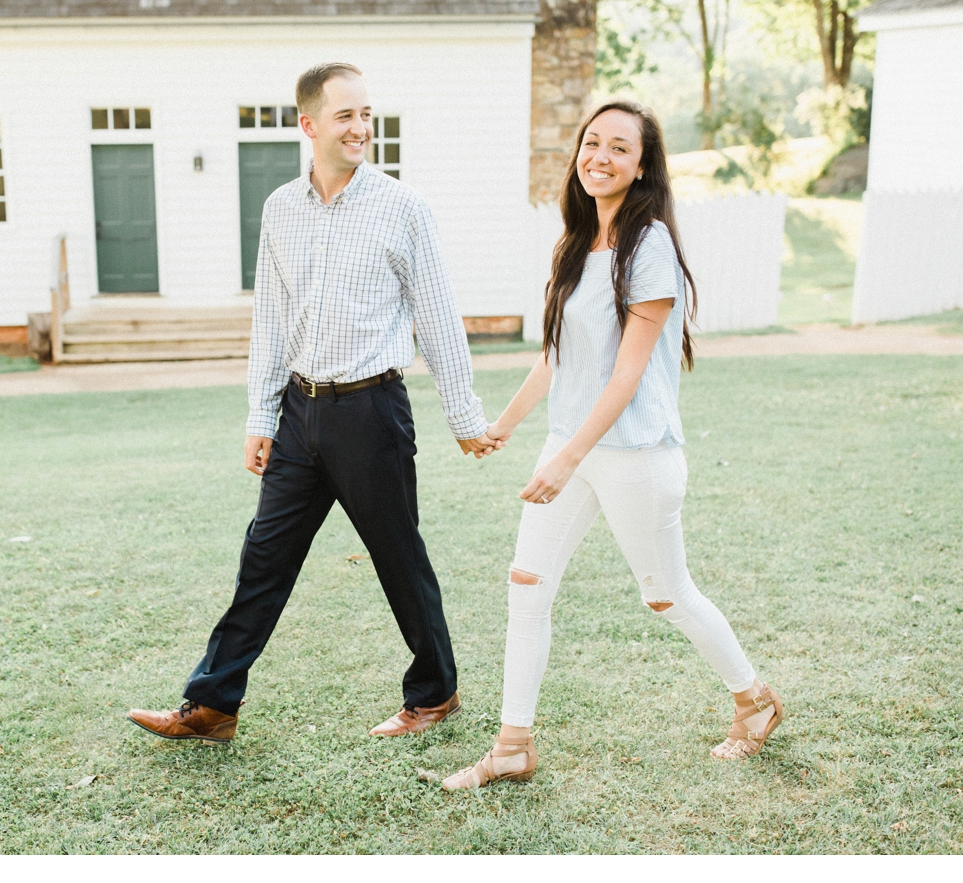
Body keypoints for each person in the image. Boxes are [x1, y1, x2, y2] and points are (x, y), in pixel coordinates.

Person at [128, 63, 503, 744]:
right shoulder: (279, 209)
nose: (361, 127)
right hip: (300, 414)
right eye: (345, 116)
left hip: (372, 412)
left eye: (367, 114)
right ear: (309, 125)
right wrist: (260, 416)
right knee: (262, 557)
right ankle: (212, 703)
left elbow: (439, 318)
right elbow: (271, 319)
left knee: (398, 556)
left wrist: (464, 416)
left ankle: (435, 692)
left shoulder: (403, 208)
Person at [441, 100, 785, 790]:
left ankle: (755, 699)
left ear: (642, 165)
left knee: (666, 595)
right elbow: (556, 355)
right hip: (572, 444)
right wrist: (505, 425)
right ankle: (512, 745)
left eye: (619, 147)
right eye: (591, 142)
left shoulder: (647, 243)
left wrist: (567, 458)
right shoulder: (574, 242)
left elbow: (626, 374)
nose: (600, 156)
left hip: (636, 452)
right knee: (527, 585)